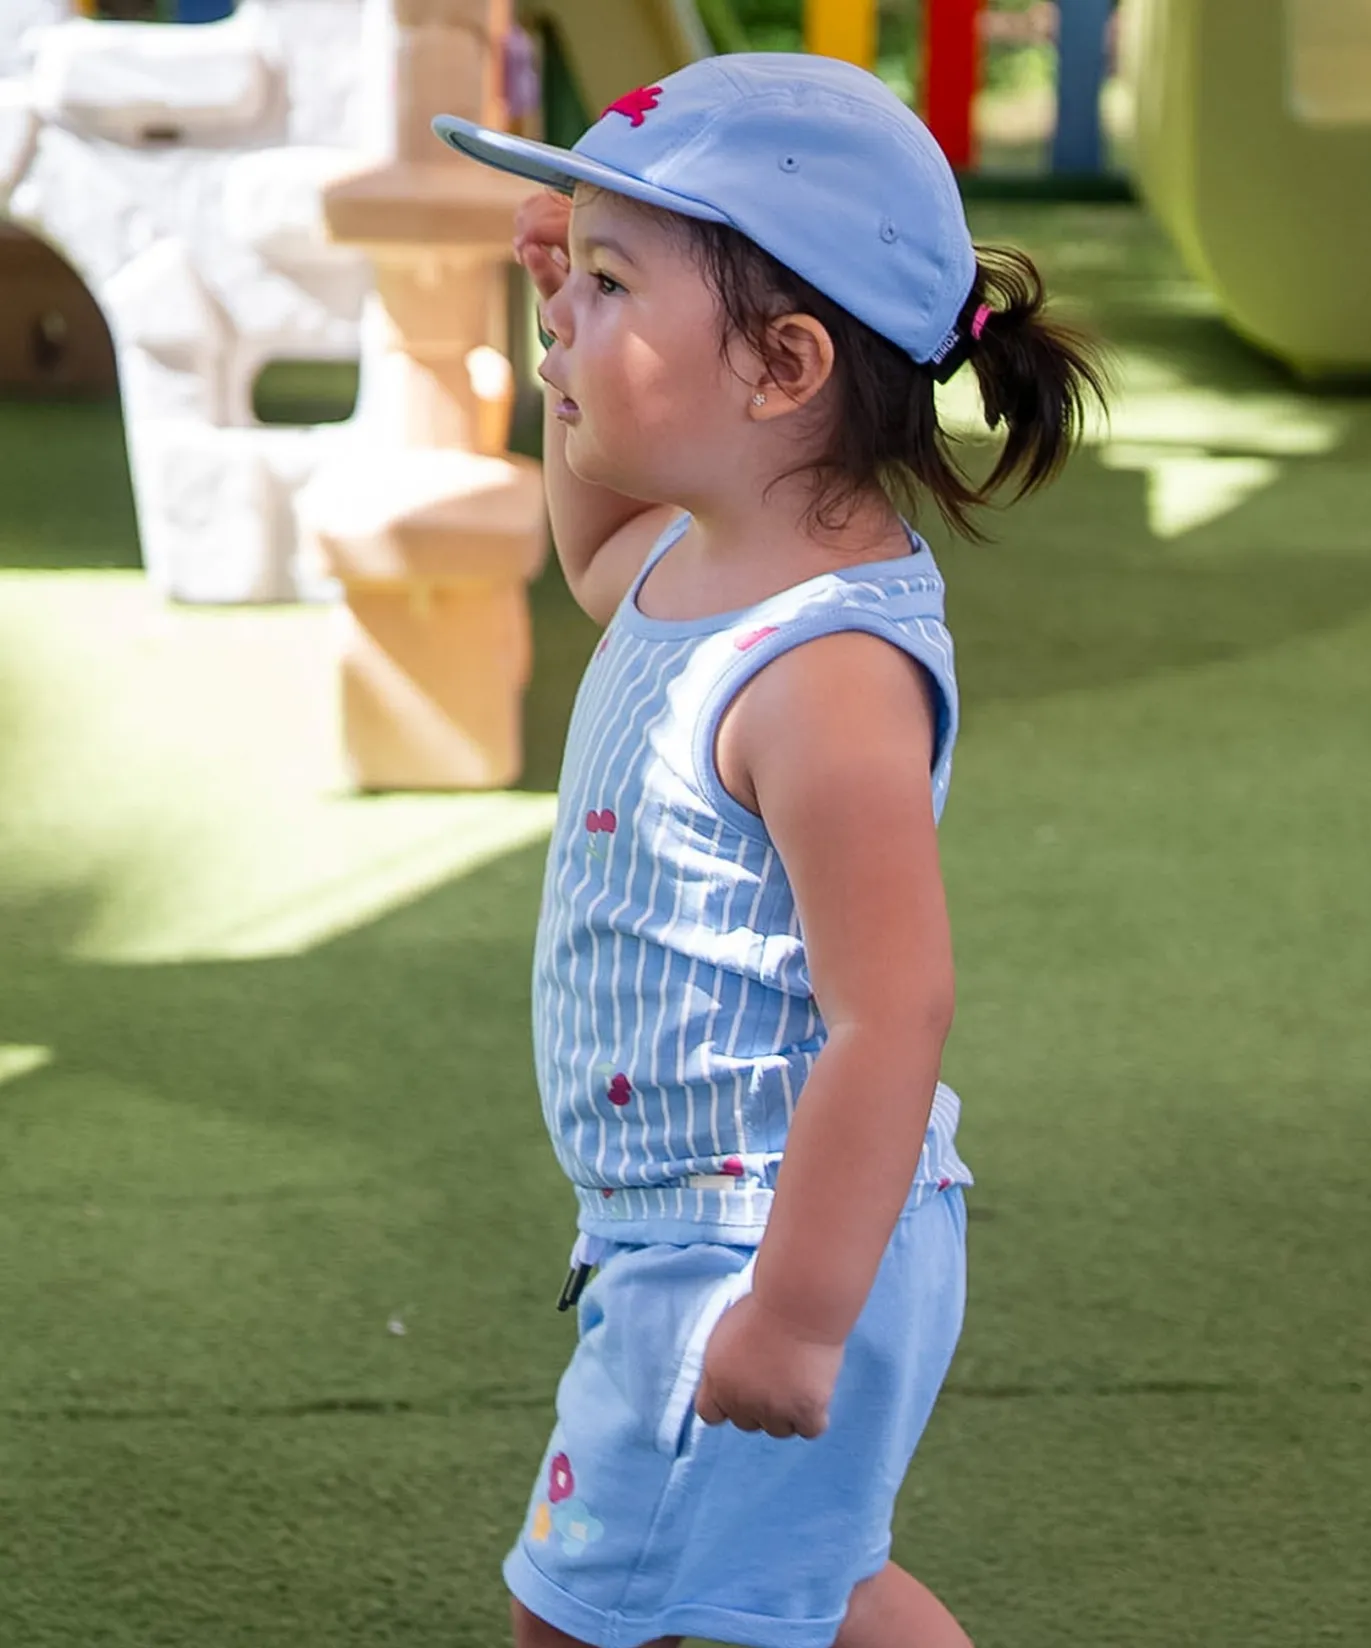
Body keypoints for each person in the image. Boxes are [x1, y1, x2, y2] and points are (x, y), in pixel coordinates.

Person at [434, 52, 1106, 1648]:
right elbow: (596, 556)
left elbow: (894, 1013)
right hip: (694, 1224)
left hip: (760, 1241)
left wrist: (797, 1315)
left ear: (784, 365)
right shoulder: (706, 551)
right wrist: (573, 340)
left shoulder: (824, 677)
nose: (559, 315)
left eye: (608, 284)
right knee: (803, 1599)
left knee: (579, 1618)